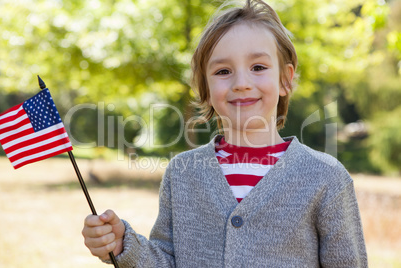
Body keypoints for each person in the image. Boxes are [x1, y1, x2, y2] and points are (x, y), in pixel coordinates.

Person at [82, 0, 368, 267]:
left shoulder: (326, 177)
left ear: (285, 79)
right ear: (204, 89)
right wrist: (123, 245)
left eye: (258, 67)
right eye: (222, 71)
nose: (241, 83)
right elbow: (167, 259)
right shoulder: (182, 173)